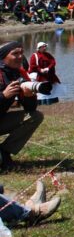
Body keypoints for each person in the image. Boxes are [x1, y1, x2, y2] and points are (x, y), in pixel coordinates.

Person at [0, 42, 45, 171]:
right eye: (15, 54)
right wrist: (3, 96)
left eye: (21, 53)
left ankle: (5, 151)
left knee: (35, 117)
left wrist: (28, 96)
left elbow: (31, 109)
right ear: (3, 56)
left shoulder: (19, 73)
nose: (20, 57)